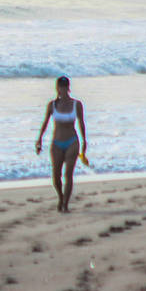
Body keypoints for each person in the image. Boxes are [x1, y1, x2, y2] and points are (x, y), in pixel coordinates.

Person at [35, 75, 87, 212]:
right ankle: (61, 196)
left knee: (68, 174)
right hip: (57, 142)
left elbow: (82, 124)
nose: (62, 90)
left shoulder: (77, 104)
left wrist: (84, 141)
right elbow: (45, 123)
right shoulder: (52, 105)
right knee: (56, 174)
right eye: (60, 87)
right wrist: (39, 139)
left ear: (68, 88)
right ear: (57, 88)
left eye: (64, 87)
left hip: (72, 142)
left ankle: (65, 204)